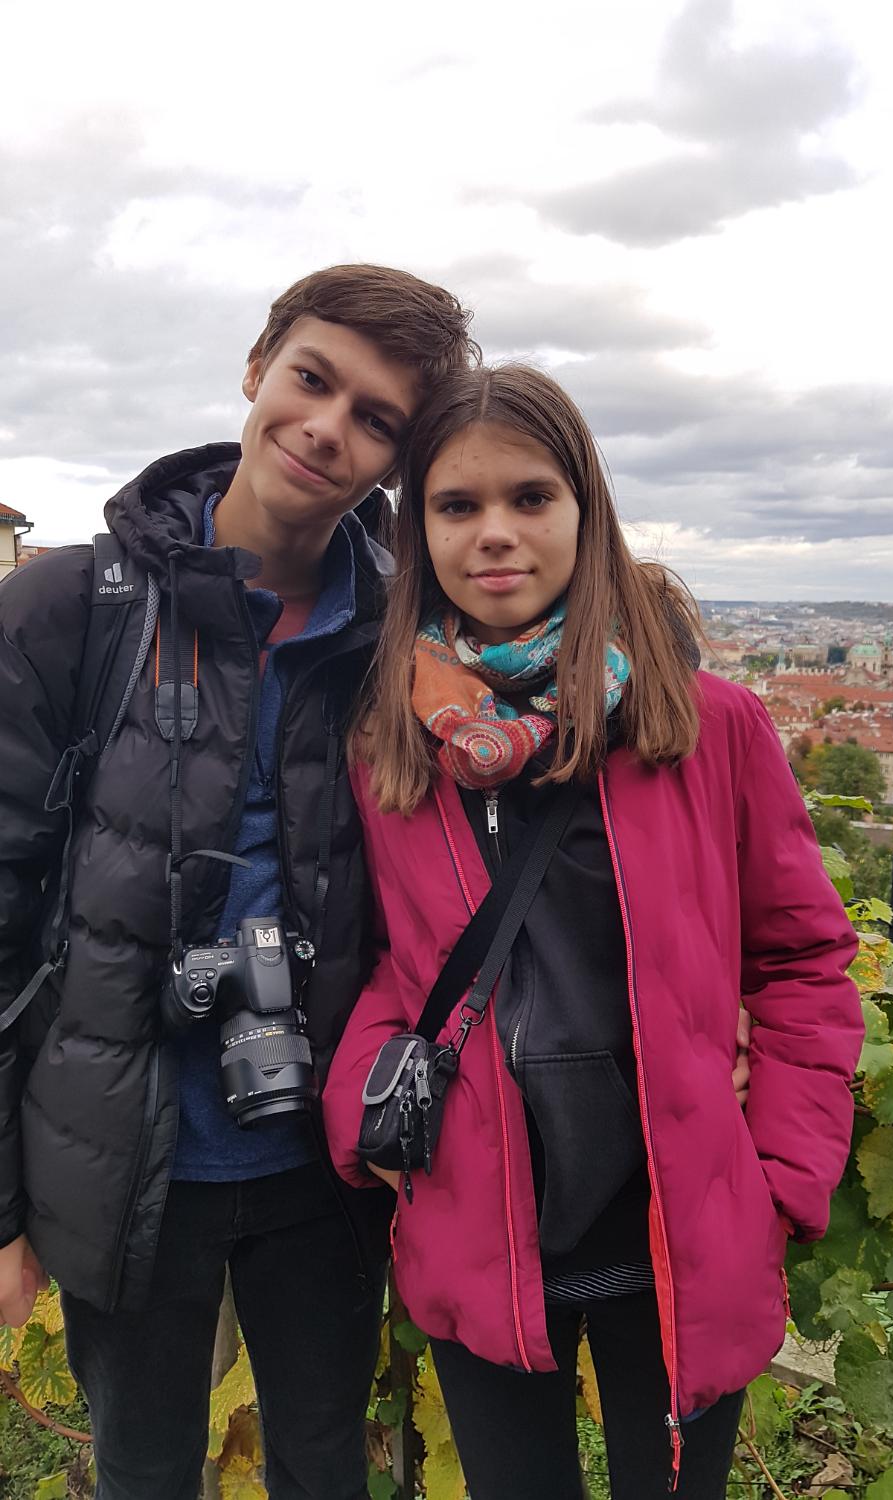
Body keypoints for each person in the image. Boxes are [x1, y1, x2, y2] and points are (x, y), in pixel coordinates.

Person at [322, 364, 865, 1499]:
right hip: (479, 1217)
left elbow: (801, 958)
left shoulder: (706, 725)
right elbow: (381, 965)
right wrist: (362, 1099)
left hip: (682, 1222)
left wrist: (780, 1177)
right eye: (457, 505)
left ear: (585, 510)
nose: (495, 533)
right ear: (419, 532)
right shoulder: (391, 746)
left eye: (530, 497)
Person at [0, 264, 478, 1500]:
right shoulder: (70, 610)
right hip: (125, 1157)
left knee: (324, 1463)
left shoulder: (410, 645)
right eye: (313, 379)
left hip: (328, 1158)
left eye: (375, 418)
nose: (326, 428)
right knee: (145, 1468)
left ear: (396, 461)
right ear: (258, 367)